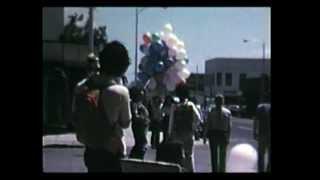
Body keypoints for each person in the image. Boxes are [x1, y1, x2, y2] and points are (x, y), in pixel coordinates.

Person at [75, 41, 131, 172]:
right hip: (110, 153)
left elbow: (76, 115)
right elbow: (125, 123)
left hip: (90, 150)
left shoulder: (83, 88)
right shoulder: (120, 92)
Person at [168, 84, 201, 172]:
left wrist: (169, 133)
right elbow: (198, 118)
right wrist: (193, 128)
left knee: (178, 155)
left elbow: (171, 121)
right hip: (188, 134)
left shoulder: (175, 106)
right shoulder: (190, 105)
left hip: (177, 134)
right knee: (189, 156)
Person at [206, 94, 232, 172]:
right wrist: (205, 135)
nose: (219, 102)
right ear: (215, 101)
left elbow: (229, 126)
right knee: (214, 155)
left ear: (223, 101)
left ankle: (222, 170)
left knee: (222, 155)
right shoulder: (211, 111)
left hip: (223, 134)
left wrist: (228, 137)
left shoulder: (227, 112)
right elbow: (208, 123)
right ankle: (214, 170)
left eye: (220, 100)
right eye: (217, 100)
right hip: (213, 133)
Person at [129, 87, 150, 159]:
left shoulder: (140, 103)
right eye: (140, 94)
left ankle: (135, 157)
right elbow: (135, 116)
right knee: (141, 144)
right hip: (138, 126)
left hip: (143, 126)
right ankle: (135, 158)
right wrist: (144, 119)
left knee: (141, 144)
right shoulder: (134, 104)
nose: (142, 95)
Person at [254, 92, 271, 172]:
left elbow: (256, 120)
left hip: (262, 133)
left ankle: (261, 170)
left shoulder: (260, 107)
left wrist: (254, 132)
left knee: (261, 154)